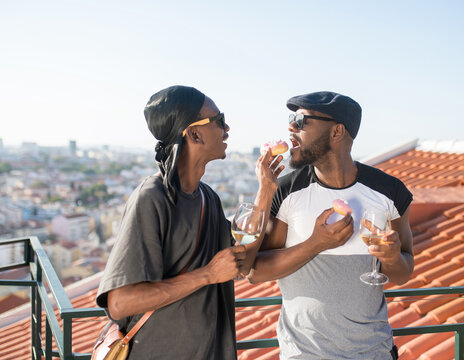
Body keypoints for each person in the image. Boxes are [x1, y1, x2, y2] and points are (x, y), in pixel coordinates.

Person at [96, 85, 282, 359]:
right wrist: (207, 274)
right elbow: (120, 303)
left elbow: (242, 262)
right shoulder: (151, 198)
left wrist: (266, 191)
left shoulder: (209, 198)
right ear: (194, 133)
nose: (227, 128)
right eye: (219, 120)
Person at [247, 91, 414, 360]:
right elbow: (256, 271)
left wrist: (393, 257)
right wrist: (315, 245)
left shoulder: (390, 192)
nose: (291, 127)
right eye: (292, 120)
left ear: (337, 132)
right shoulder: (287, 189)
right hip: (303, 354)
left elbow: (403, 273)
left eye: (302, 122)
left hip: (373, 353)